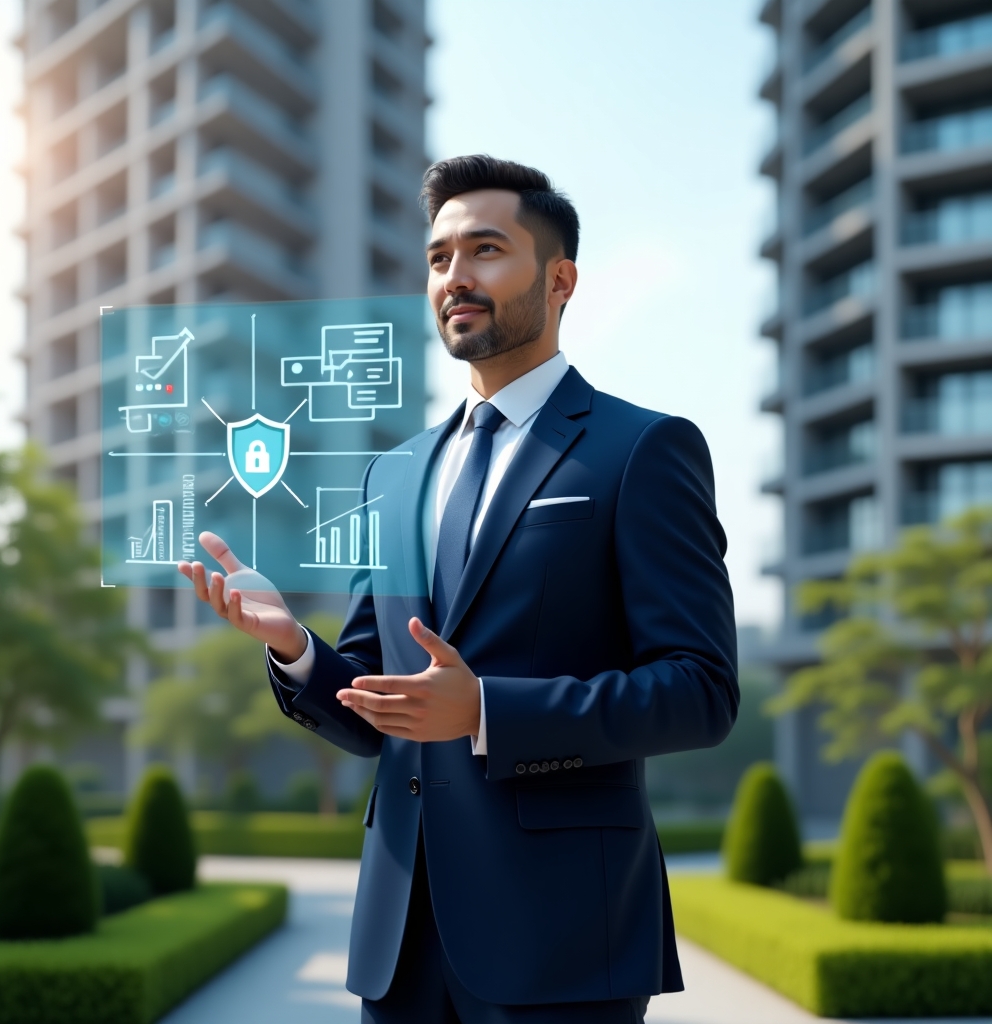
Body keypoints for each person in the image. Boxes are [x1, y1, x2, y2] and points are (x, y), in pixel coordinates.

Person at [180, 154, 739, 1024]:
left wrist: (486, 710)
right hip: (400, 941)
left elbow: (700, 693)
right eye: (439, 257)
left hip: (562, 944)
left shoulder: (642, 450)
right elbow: (375, 705)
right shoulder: (393, 474)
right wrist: (292, 647)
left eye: (485, 250)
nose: (455, 277)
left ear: (560, 280)